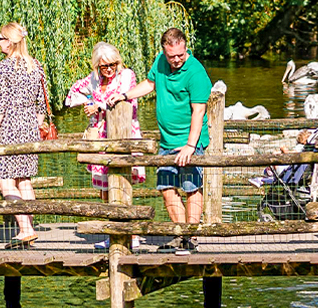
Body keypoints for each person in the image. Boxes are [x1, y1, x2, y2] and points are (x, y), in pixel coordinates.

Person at [109, 27, 210, 252]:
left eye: (180, 55)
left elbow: (199, 111)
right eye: (171, 56)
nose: (176, 60)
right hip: (167, 141)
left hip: (190, 141)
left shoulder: (196, 72)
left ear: (186, 48)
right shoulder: (161, 62)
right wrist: (125, 95)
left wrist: (191, 146)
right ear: (164, 51)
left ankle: (190, 238)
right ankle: (181, 234)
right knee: (166, 187)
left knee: (191, 186)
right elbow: (150, 84)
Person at [0, 23, 47, 246]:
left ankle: (25, 229)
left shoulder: (2, 68)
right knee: (24, 180)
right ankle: (28, 228)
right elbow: (42, 104)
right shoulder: (36, 66)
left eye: (0, 38)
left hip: (10, 127)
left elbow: (0, 103)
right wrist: (34, 127)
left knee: (4, 181)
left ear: (9, 41)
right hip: (30, 127)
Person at [64, 42, 146, 197]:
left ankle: (120, 217)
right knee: (104, 189)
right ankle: (108, 218)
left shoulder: (126, 75)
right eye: (104, 66)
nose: (109, 69)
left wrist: (98, 106)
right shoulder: (93, 79)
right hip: (101, 134)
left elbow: (124, 101)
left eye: (112, 65)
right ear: (97, 66)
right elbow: (73, 94)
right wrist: (88, 102)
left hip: (122, 132)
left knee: (121, 182)